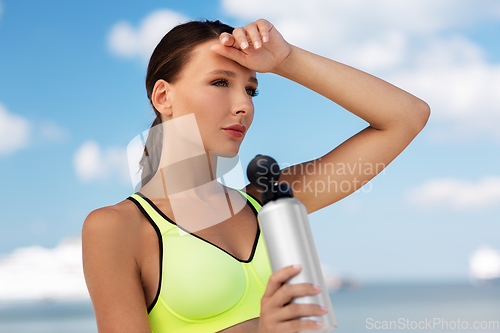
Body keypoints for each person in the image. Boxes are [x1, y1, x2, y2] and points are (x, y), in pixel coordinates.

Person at [82, 18, 430, 333]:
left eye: (251, 89)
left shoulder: (270, 202)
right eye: (220, 82)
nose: (244, 106)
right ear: (163, 96)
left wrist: (287, 59)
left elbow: (407, 116)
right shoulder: (116, 227)